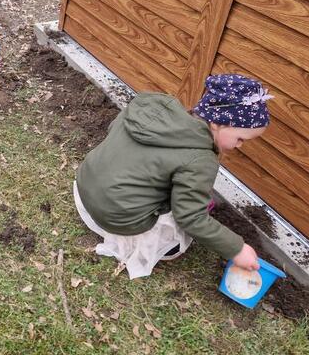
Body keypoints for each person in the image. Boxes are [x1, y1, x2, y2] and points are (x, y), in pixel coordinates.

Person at [74, 74, 272, 279]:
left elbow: (113, 131)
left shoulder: (150, 107)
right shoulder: (201, 158)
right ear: (218, 123)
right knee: (180, 219)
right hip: (117, 217)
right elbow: (191, 217)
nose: (240, 145)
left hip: (85, 187)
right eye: (240, 138)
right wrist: (237, 249)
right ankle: (144, 244)